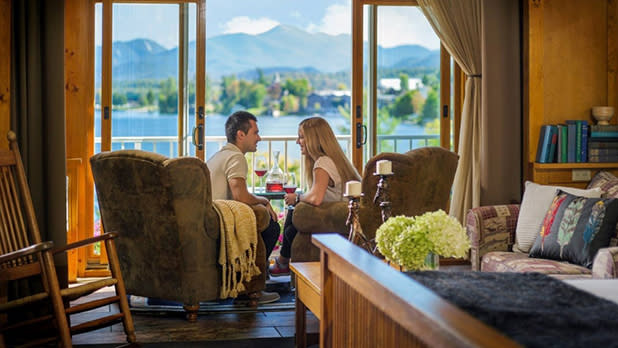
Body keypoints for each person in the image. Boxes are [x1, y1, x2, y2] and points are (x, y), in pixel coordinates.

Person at [269, 117, 361, 276]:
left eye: (301, 137)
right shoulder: (333, 160)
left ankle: (282, 262)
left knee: (294, 214)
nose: (298, 142)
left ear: (314, 139)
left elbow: (316, 198)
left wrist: (297, 198)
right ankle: (283, 262)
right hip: (340, 216)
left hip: (336, 219)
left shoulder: (323, 163)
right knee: (293, 216)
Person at [207, 110, 280, 303]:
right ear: (241, 134)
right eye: (255, 133)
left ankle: (250, 282)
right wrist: (263, 201)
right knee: (271, 226)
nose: (259, 138)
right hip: (219, 220)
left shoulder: (220, 155)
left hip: (211, 216)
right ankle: (251, 290)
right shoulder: (236, 157)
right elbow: (240, 196)